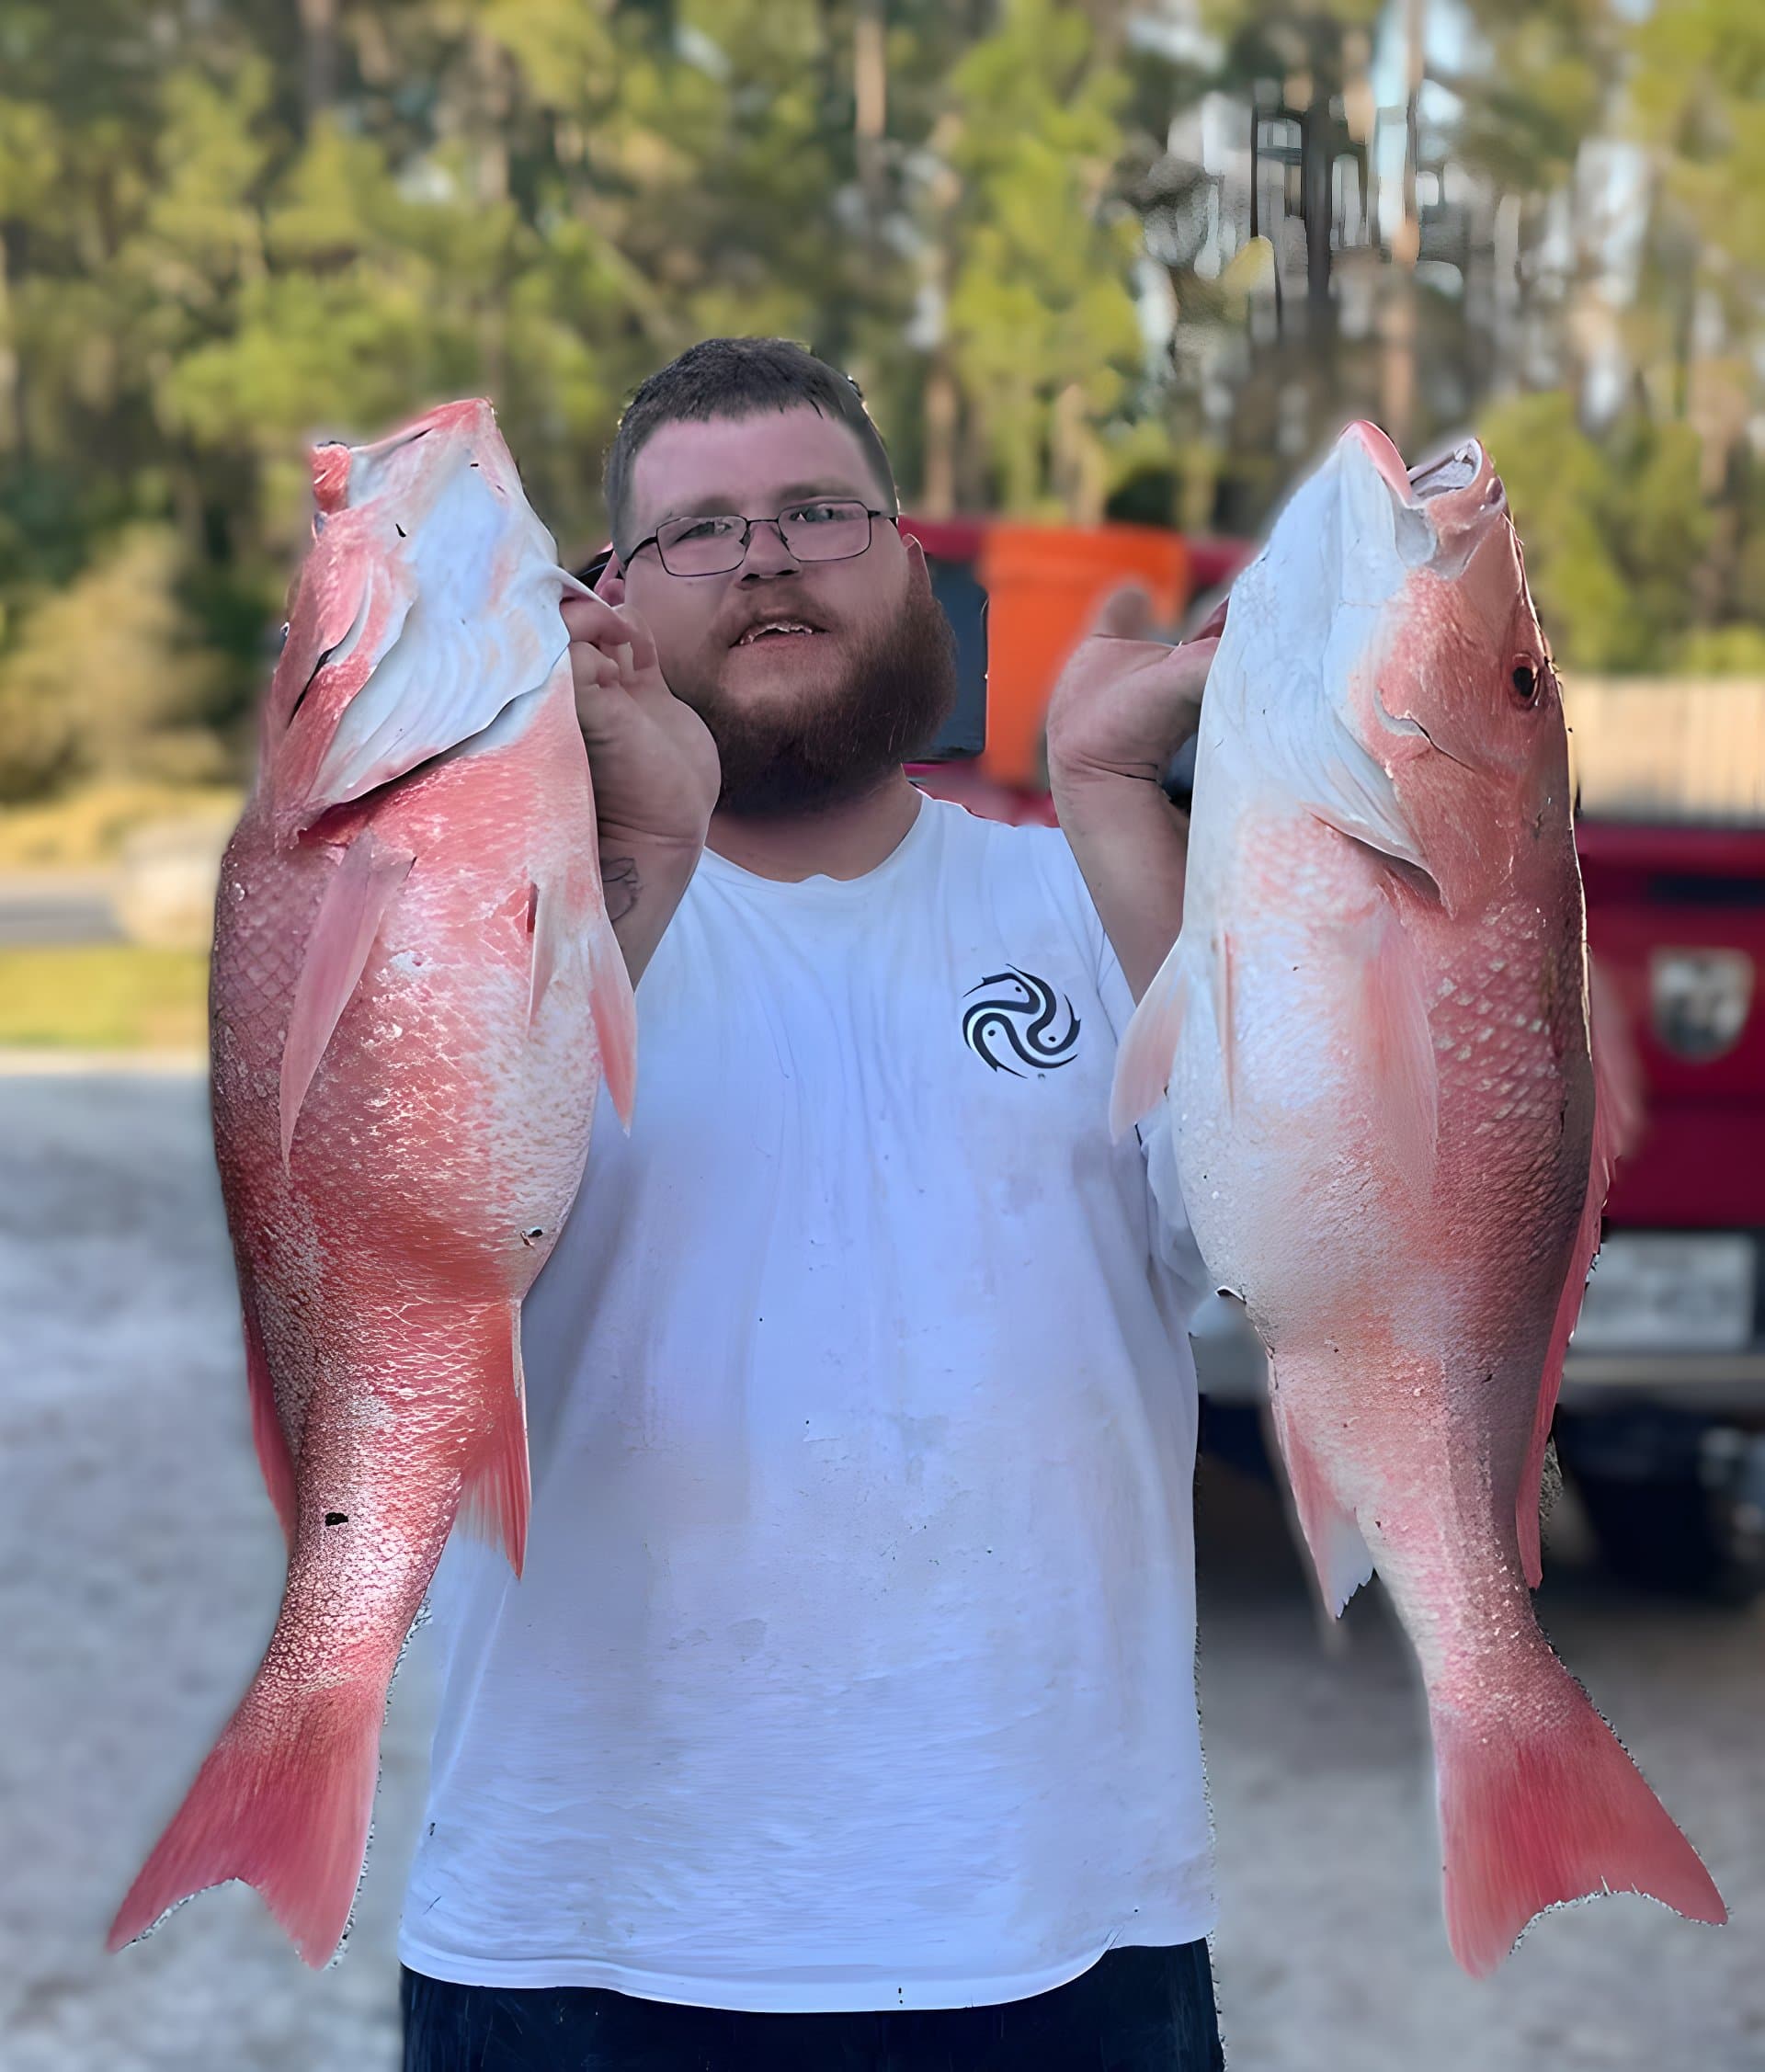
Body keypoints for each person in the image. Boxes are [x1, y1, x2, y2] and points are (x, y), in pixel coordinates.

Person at [397, 336, 1225, 2071]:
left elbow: (1300, 1251)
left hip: (1061, 1937)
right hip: (581, 1943)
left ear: (916, 563)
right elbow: (407, 1259)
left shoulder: (1091, 894)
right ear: (603, 602)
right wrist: (638, 851)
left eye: (818, 510)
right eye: (697, 532)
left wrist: (1123, 807)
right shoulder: (497, 924)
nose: (765, 556)